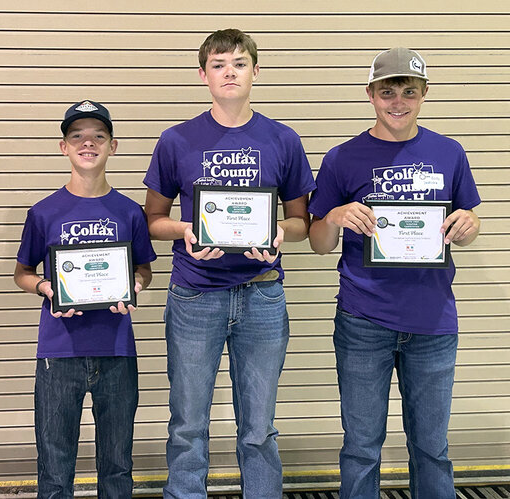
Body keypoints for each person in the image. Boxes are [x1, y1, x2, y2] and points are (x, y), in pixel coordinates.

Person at [143, 29, 316, 497]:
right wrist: (184, 230)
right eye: (219, 65)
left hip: (262, 294)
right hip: (195, 295)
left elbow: (301, 221)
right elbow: (153, 220)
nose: (229, 72)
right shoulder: (176, 140)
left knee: (259, 426)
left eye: (239, 63)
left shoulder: (283, 139)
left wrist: (281, 232)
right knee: (187, 424)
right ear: (203, 75)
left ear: (255, 72)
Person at [307, 48, 481, 498]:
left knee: (431, 448)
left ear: (424, 94)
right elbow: (319, 244)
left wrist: (468, 225)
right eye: (388, 91)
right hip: (364, 321)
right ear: (370, 95)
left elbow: (470, 223)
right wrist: (333, 217)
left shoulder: (449, 152)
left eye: (409, 91)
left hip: (433, 323)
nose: (398, 101)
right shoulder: (342, 157)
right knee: (362, 447)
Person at [14, 100, 156, 498]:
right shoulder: (44, 212)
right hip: (58, 352)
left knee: (117, 467)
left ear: (113, 146)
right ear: (64, 147)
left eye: (98, 136)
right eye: (77, 136)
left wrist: (137, 286)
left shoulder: (129, 211)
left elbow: (144, 268)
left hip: (116, 350)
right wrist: (46, 287)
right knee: (55, 468)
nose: (87, 143)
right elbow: (22, 274)